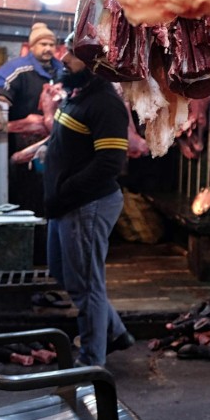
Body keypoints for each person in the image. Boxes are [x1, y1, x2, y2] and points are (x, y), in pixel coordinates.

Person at [43, 35, 134, 366]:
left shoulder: (105, 102)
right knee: (62, 272)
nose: (63, 58)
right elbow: (69, 143)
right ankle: (118, 331)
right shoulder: (78, 95)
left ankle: (91, 362)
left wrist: (66, 189)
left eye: (73, 54)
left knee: (86, 287)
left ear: (95, 62)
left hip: (86, 205)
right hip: (66, 205)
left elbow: (109, 163)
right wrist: (42, 151)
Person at [0, 22, 64, 215]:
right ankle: (30, 227)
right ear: (32, 46)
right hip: (24, 139)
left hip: (56, 138)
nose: (48, 48)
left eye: (51, 44)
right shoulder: (17, 68)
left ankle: (48, 224)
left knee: (53, 184)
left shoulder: (62, 70)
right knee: (27, 186)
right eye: (43, 44)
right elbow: (0, 87)